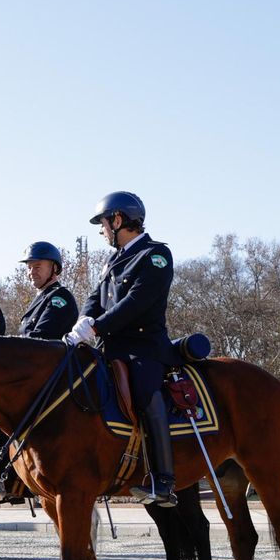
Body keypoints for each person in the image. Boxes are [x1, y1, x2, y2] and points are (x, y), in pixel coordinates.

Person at [65, 191, 177, 508]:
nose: (101, 230)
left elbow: (136, 303)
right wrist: (84, 320)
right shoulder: (113, 260)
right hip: (110, 347)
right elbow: (95, 297)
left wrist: (97, 327)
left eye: (103, 223)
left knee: (144, 392)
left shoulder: (155, 255)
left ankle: (163, 479)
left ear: (117, 219)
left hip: (143, 348)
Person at [17, 242, 79, 340]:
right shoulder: (42, 298)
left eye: (37, 267)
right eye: (29, 268)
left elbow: (41, 339)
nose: (31, 272)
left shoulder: (61, 297)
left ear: (54, 268)